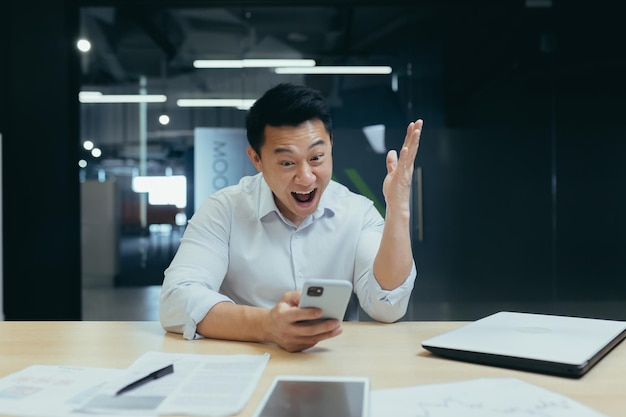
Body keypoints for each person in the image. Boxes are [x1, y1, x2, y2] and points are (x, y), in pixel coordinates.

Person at [160, 83, 423, 352]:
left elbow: (387, 306)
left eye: (316, 157)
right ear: (256, 159)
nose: (306, 177)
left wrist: (398, 211)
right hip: (243, 365)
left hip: (331, 365)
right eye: (287, 163)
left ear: (331, 145)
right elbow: (176, 300)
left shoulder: (357, 213)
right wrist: (265, 325)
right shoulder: (224, 210)